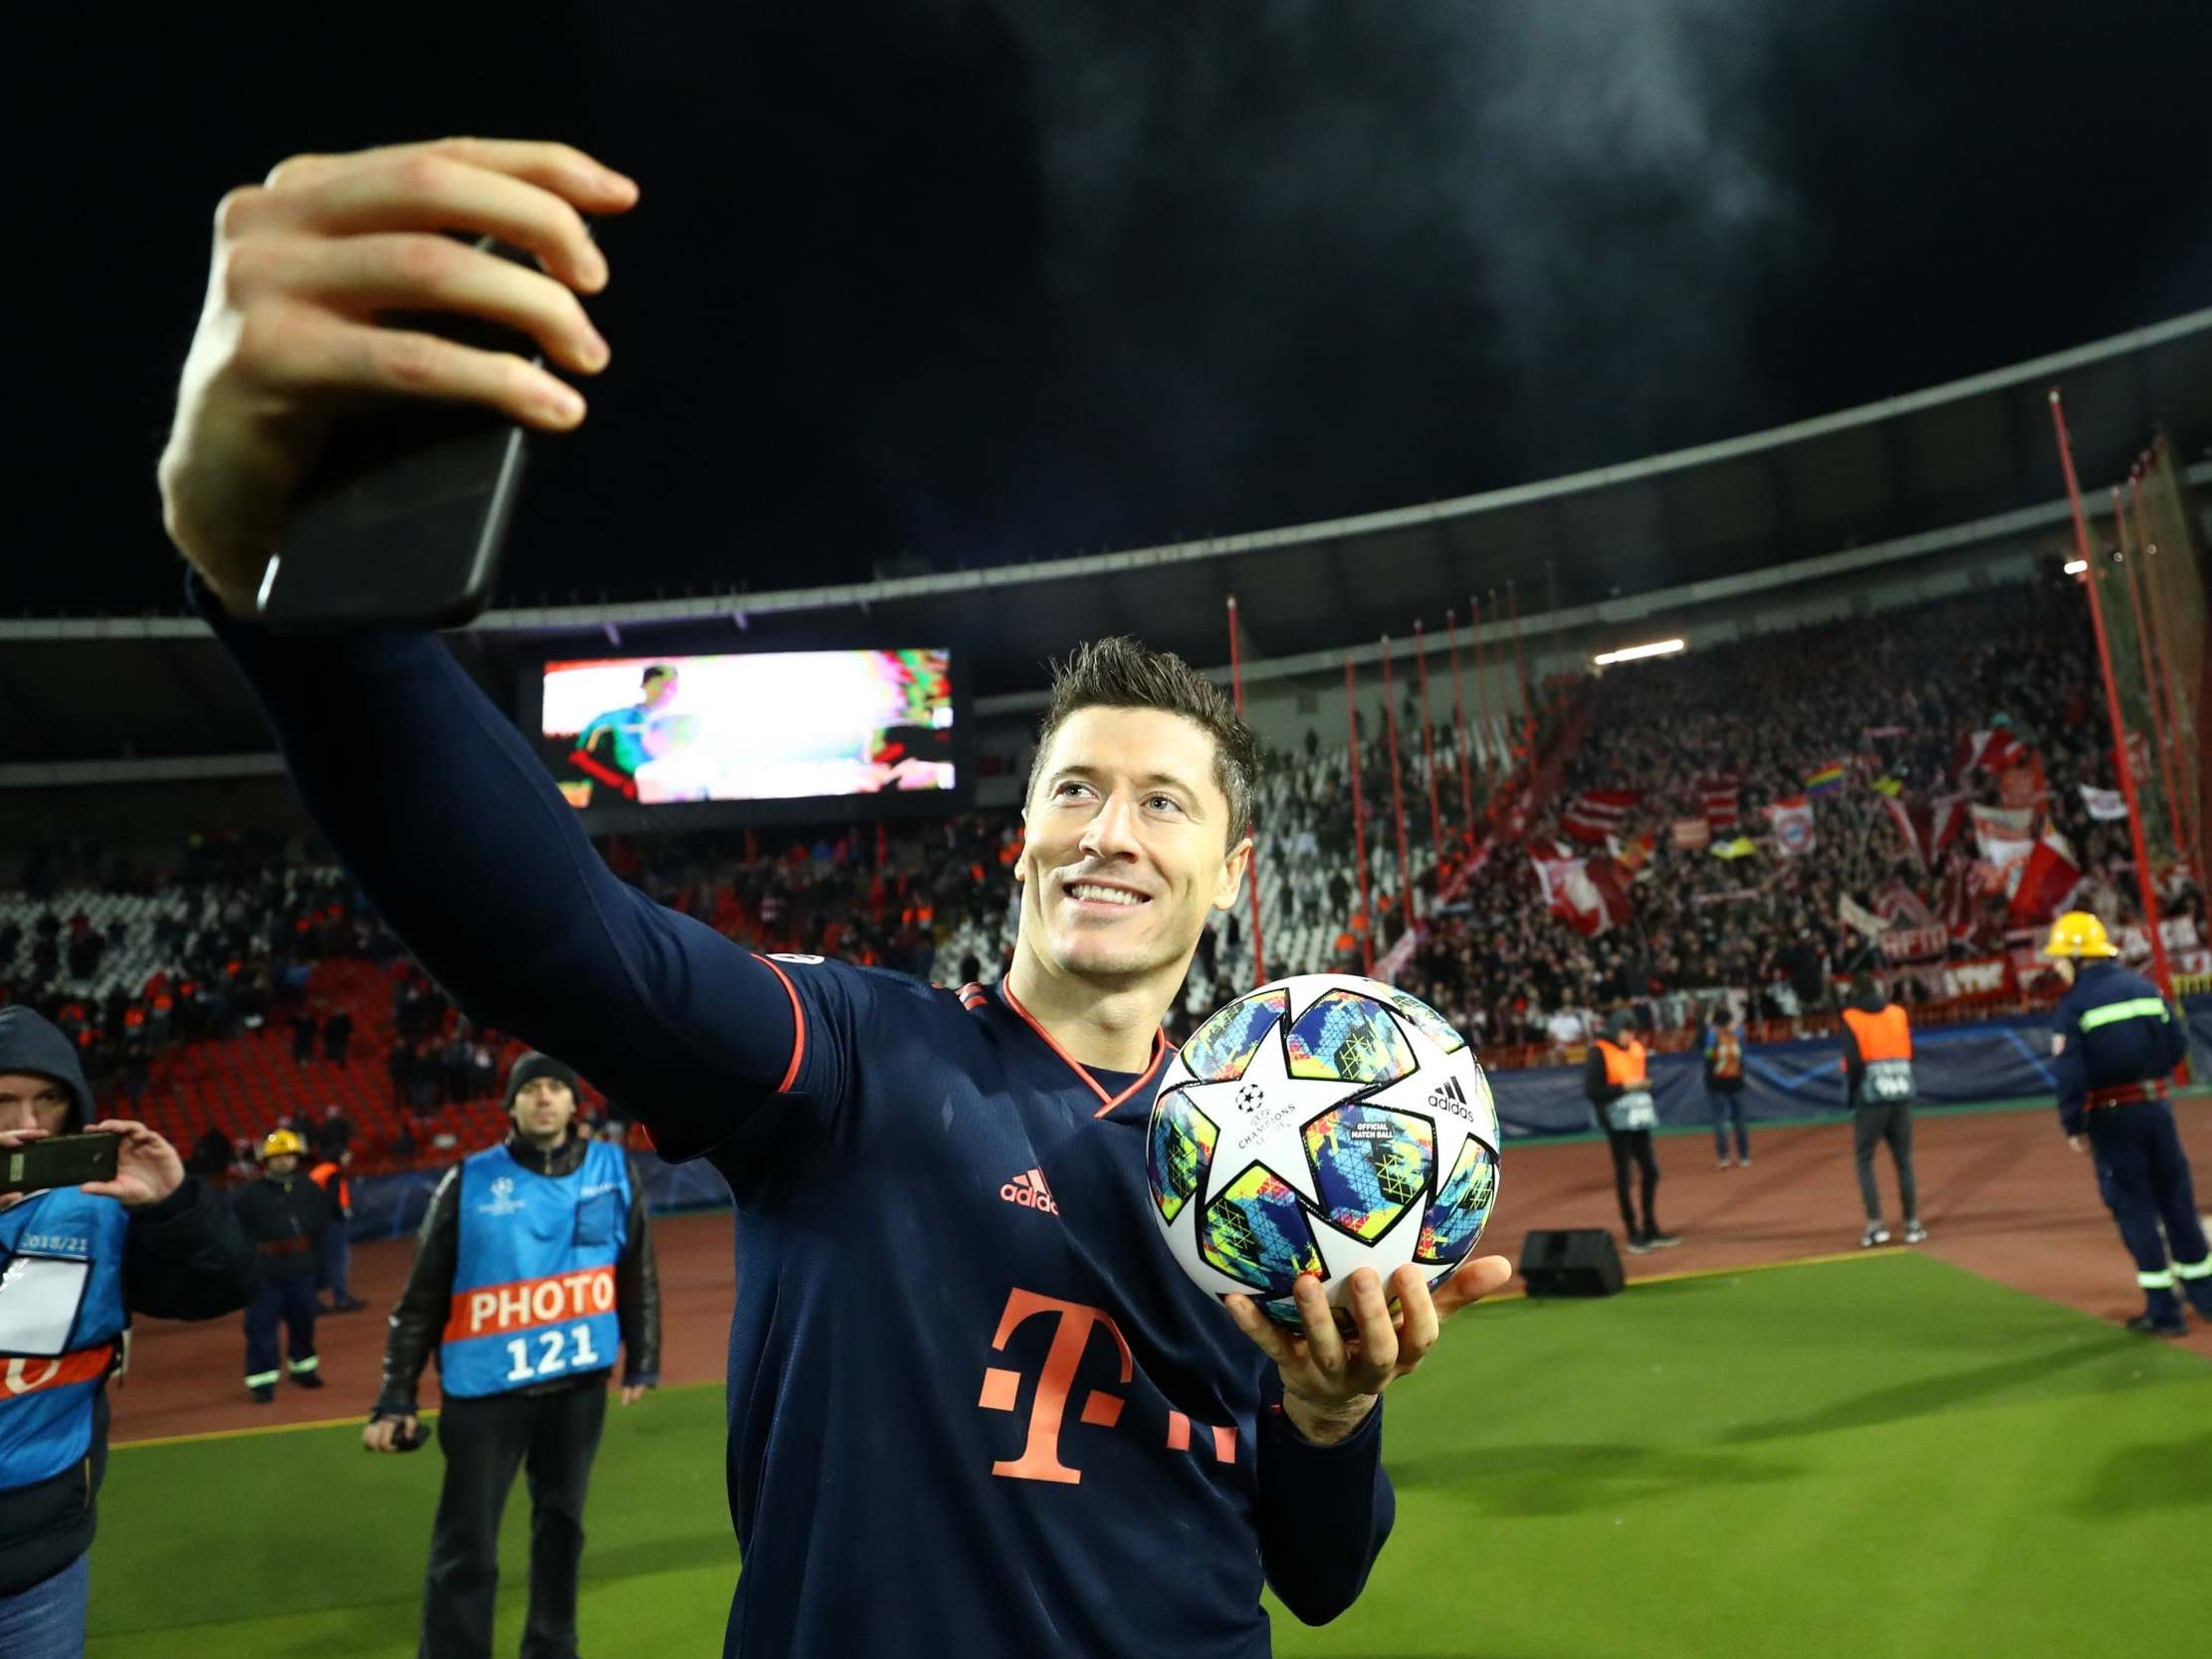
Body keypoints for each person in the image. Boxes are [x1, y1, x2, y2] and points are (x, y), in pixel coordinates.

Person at [157, 134, 1513, 1659]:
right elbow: (558, 938)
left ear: (1232, 871)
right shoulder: (856, 1058)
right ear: (1016, 841)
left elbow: (1318, 1577)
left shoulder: (1279, 1168)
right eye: (1071, 788)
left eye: (1160, 799)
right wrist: (298, 608)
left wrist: (1332, 1411)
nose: (1106, 831)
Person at [364, 1051, 660, 1659]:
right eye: (532, 1088)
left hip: (577, 1386)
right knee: (466, 1544)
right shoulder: (469, 1180)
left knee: (563, 1530)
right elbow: (419, 1299)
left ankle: (553, 1647)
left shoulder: (614, 1169)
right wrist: (396, 1395)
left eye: (556, 1086)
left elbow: (637, 1272)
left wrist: (643, 1357)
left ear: (576, 1104)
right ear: (512, 1104)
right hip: (486, 1395)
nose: (544, 1097)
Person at [0, 1006, 255, 1653]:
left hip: (42, 1555)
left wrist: (174, 1206)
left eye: (49, 1100)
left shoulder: (101, 1206)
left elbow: (221, 1285)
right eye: (2, 1100)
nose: (27, 1126)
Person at [2043, 911, 2211, 1336]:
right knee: (2177, 1199)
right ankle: (2205, 1296)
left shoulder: (2074, 1005)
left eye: (2061, 959)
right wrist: (2146, 1075)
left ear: (2077, 959)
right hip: (2156, 1109)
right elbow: (2176, 1043)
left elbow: (2070, 1075)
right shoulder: (2144, 988)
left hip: (2112, 1119)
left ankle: (2164, 1310)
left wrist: (2073, 1124)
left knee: (2133, 1206)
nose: (2057, 968)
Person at [230, 1129, 330, 1400]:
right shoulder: (248, 1194)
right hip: (264, 1271)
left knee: (304, 1320)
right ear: (267, 1161)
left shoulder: (309, 1189)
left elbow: (321, 1229)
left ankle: (303, 1368)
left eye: (289, 1155)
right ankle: (262, 1381)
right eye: (278, 1156)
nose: (284, 1161)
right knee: (261, 1326)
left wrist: (322, 1272)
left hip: (301, 1268)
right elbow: (234, 1234)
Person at [1838, 973, 1925, 1249]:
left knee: (1864, 1159)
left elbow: (1852, 1062)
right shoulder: (1898, 1013)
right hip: (1901, 1090)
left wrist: (1853, 1094)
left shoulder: (1851, 1017)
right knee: (1904, 1160)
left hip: (1871, 1095)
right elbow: (1911, 1052)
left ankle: (1876, 1226)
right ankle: (1912, 1224)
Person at [1585, 1009, 1679, 1253]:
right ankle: (1633, 1231)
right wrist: (1625, 1087)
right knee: (1624, 1176)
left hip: (1638, 1118)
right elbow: (1593, 1090)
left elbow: (1639, 1074)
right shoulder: (1599, 1051)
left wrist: (1644, 1084)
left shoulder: (1636, 1048)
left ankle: (1650, 1226)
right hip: (1616, 1123)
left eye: (1631, 1033)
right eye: (1625, 1033)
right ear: (1615, 1030)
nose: (1629, 1038)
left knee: (1651, 1170)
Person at [307, 1147, 365, 1312]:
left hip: (316, 1221)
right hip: (332, 1222)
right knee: (338, 1260)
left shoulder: (318, 1171)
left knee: (319, 1260)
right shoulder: (333, 1172)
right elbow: (332, 1198)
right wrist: (341, 1214)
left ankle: (313, 1302)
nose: (349, 1157)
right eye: (346, 1154)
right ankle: (341, 1298)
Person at [1702, 1006, 1750, 1169]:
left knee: (1719, 1121)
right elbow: (1743, 1054)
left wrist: (1709, 1023)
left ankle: (1724, 1158)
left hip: (1716, 1084)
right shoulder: (1739, 1034)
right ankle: (1744, 1157)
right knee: (1739, 1121)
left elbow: (1707, 1056)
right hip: (1736, 1082)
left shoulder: (1711, 1035)